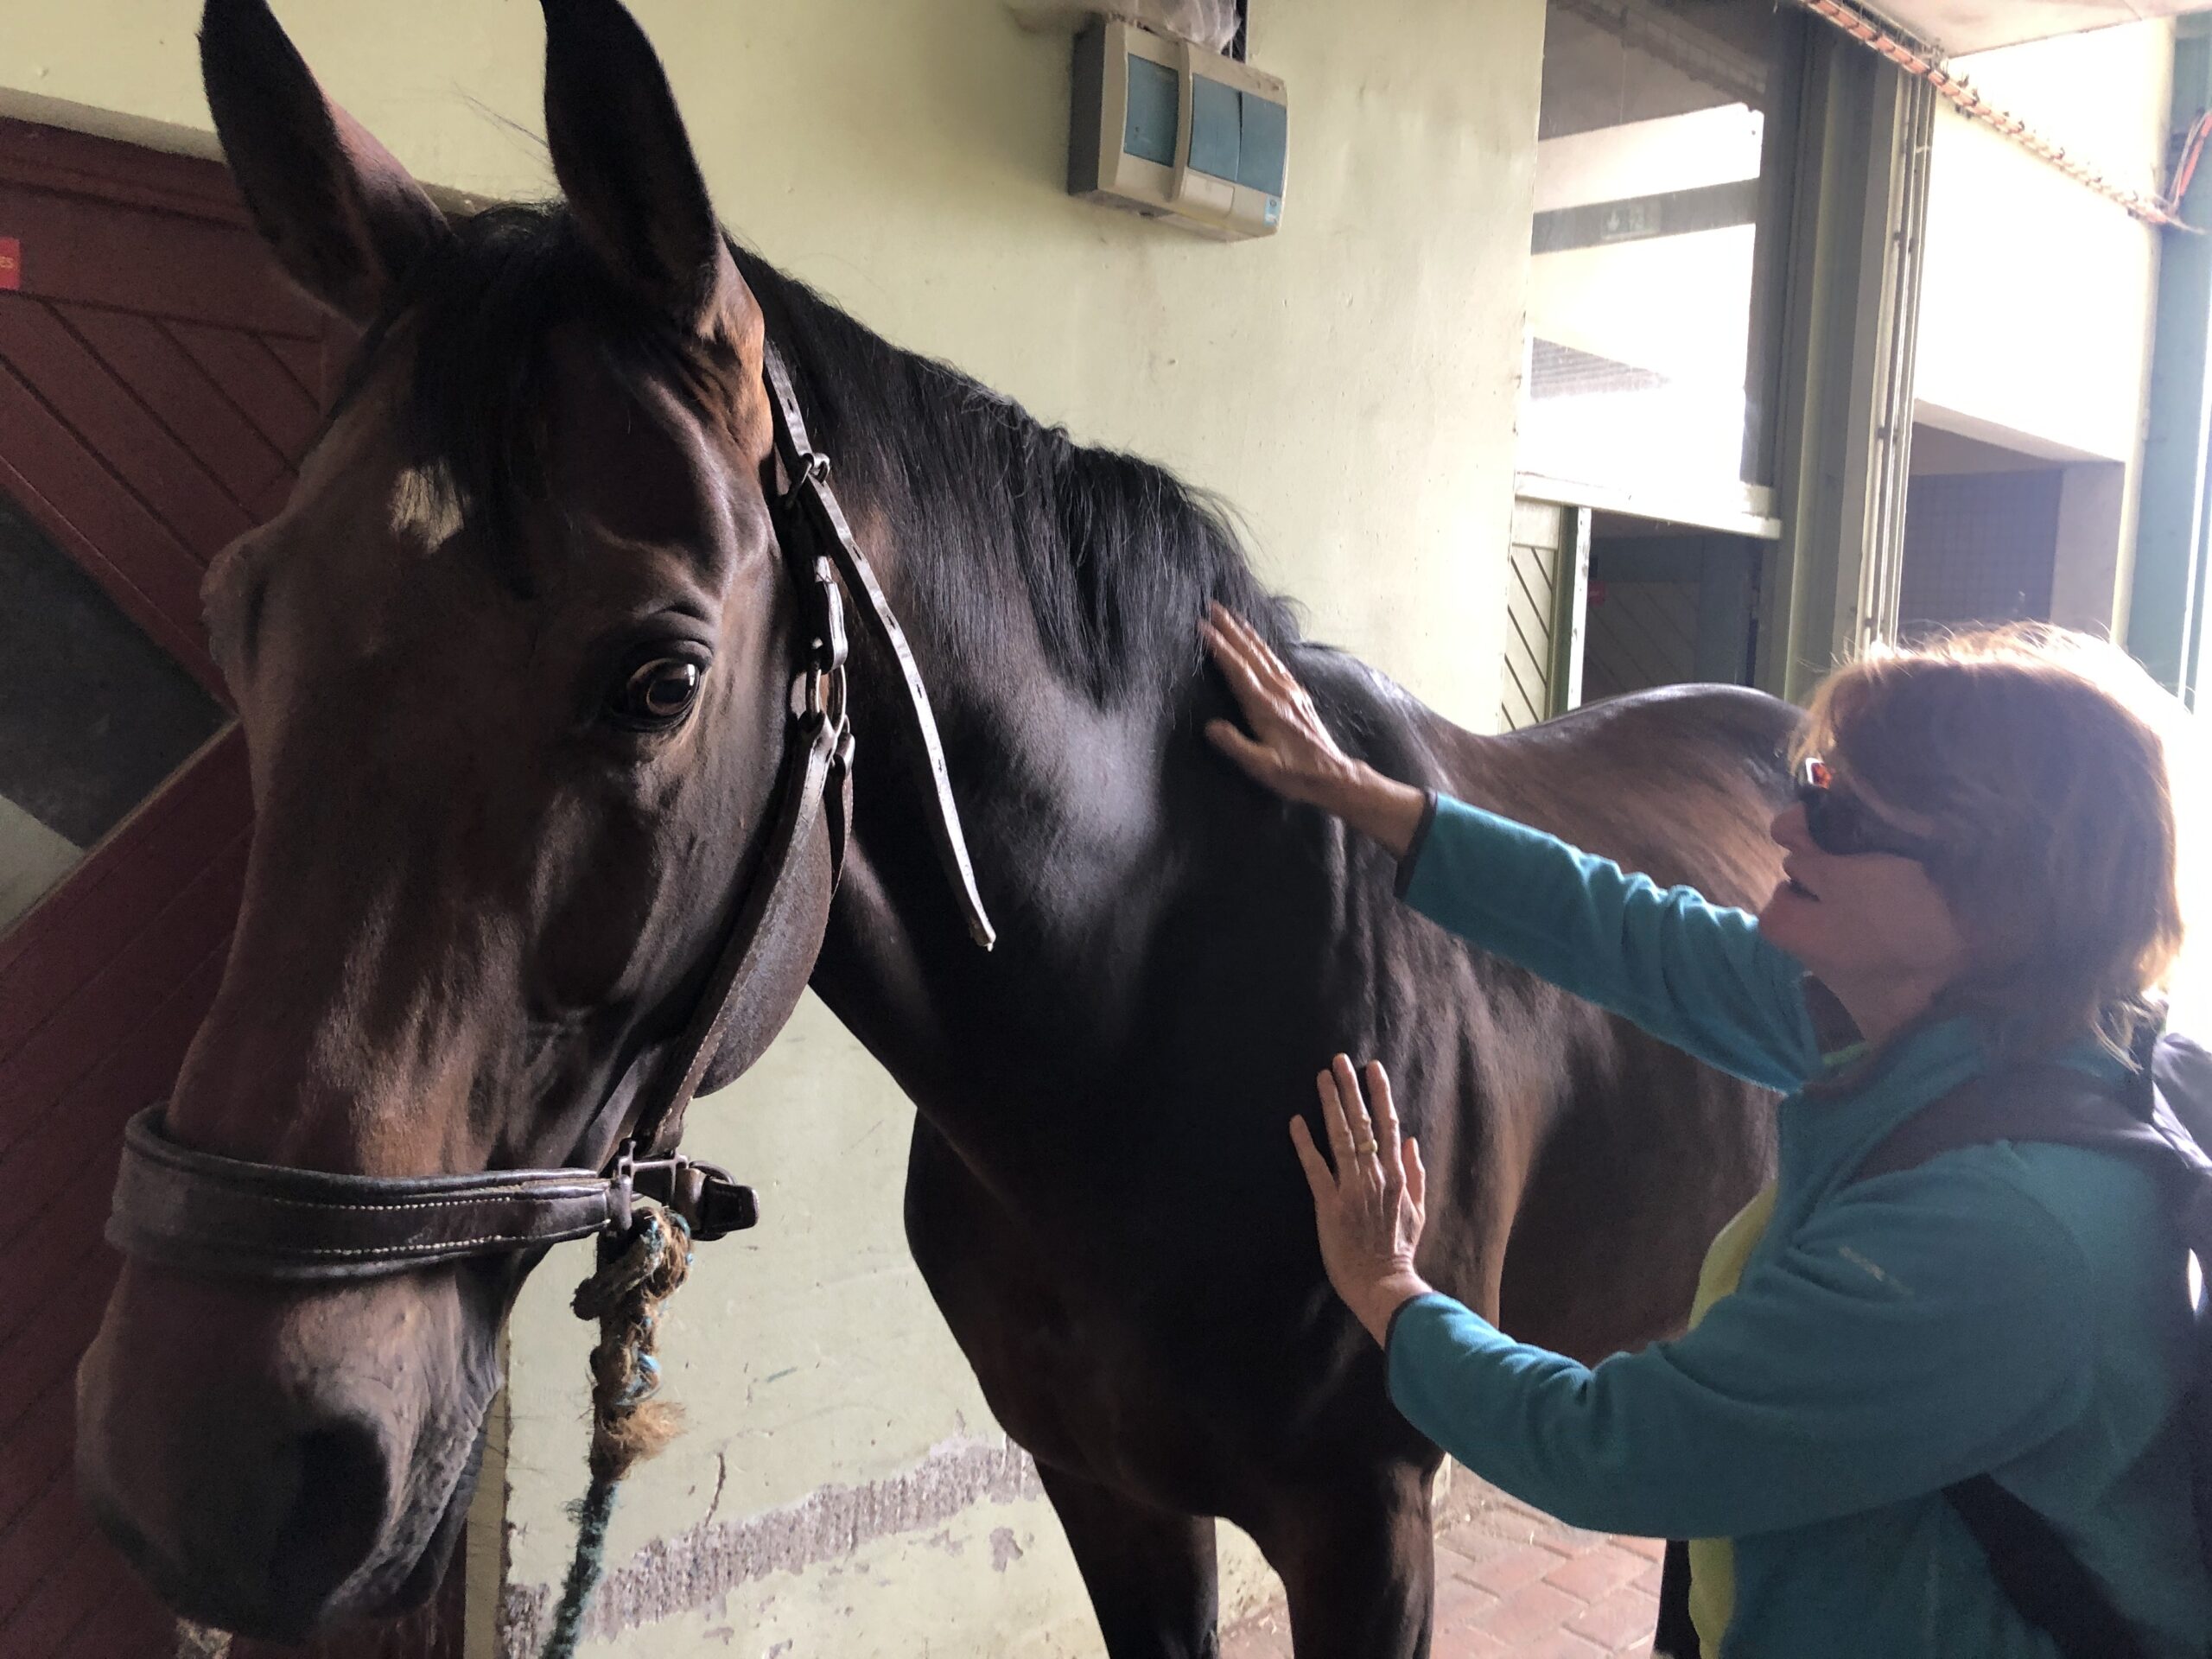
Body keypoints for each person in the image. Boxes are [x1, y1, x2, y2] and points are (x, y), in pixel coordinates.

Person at [1200, 604, 2212, 1658]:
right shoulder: (1926, 1027)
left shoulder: (2000, 1238)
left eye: (1845, 820)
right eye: (1814, 786)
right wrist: (1360, 793)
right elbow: (1627, 931)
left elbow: (1609, 1449)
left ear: (2005, 901)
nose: (1784, 828)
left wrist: (1389, 1292)